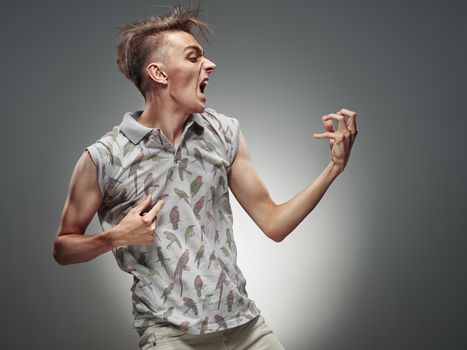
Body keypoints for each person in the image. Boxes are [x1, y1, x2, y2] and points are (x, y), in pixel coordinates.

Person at [53, 4, 357, 350]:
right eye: (193, 57)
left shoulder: (223, 133)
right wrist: (115, 238)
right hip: (171, 336)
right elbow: (63, 247)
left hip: (245, 327)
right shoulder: (104, 157)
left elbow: (274, 223)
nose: (209, 65)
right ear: (159, 73)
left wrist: (334, 168)